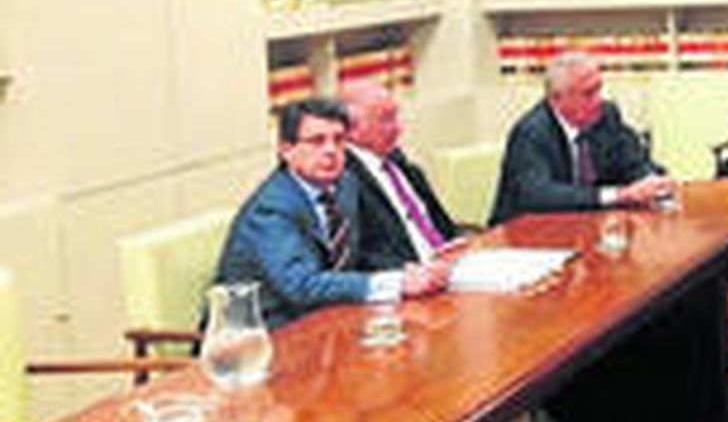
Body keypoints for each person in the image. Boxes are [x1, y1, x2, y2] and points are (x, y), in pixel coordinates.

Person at [215, 97, 450, 329]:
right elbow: (302, 285)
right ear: (287, 151)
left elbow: (355, 256)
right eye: (317, 141)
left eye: (338, 140)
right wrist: (396, 283)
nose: (331, 151)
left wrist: (410, 271)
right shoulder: (272, 208)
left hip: (329, 319)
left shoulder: (345, 185)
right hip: (262, 331)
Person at [489, 51, 674, 223]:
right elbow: (539, 195)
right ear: (557, 99)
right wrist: (617, 195)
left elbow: (633, 162)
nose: (599, 100)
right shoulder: (531, 132)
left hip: (583, 227)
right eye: (588, 93)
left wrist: (652, 182)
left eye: (599, 89)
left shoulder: (607, 115)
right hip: (522, 235)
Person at [341, 81, 461, 271]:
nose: (398, 128)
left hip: (450, 264)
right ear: (351, 129)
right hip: (412, 276)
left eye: (396, 116)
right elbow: (358, 257)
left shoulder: (399, 162)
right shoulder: (343, 178)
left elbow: (444, 227)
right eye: (386, 120)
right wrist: (414, 273)